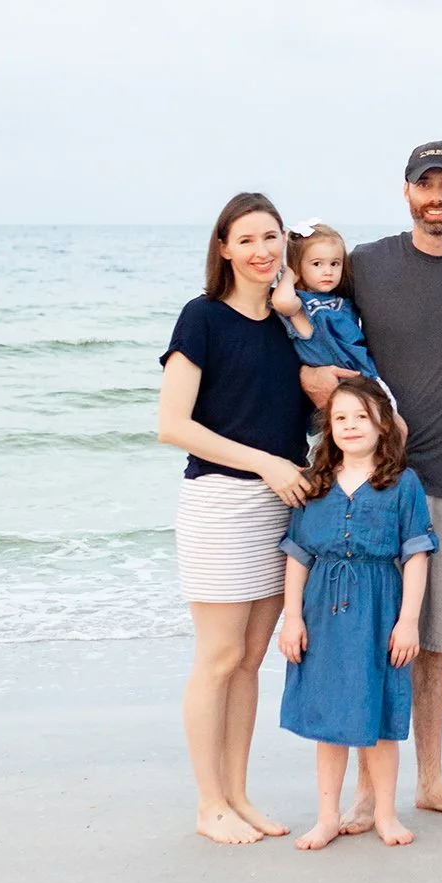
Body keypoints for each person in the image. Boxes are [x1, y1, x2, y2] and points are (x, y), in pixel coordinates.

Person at [299, 142, 442, 825]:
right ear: (406, 193)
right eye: (425, 185)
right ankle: (370, 792)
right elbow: (305, 322)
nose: (437, 196)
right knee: (366, 632)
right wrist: (318, 385)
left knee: (431, 640)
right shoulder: (365, 265)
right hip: (366, 479)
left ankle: (429, 780)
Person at [158, 193, 312, 845]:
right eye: (246, 239)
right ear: (223, 248)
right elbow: (173, 426)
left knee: (250, 659)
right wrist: (266, 464)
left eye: (271, 237)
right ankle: (208, 804)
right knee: (219, 657)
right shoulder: (202, 319)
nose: (262, 251)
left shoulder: (287, 324)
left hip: (284, 505)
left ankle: (239, 794)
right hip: (221, 503)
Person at [278, 381, 435, 851]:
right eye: (340, 417)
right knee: (329, 719)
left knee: (382, 715)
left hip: (380, 610)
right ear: (328, 426)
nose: (350, 426)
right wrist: (291, 618)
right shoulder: (317, 482)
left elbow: (417, 554)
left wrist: (408, 621)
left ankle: (385, 813)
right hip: (322, 612)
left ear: (383, 424)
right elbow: (298, 554)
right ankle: (327, 816)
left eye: (361, 417)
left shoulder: (402, 483)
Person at [271, 220, 382, 382]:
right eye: (317, 264)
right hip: (336, 382)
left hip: (365, 375)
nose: (328, 271)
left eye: (335, 264)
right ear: (298, 266)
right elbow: (282, 303)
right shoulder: (301, 304)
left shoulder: (342, 300)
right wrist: (289, 274)